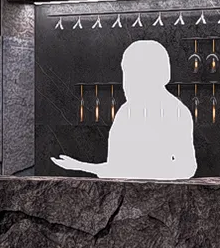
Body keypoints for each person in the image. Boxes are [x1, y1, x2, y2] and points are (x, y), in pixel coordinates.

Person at [53, 37, 197, 179]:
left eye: (137, 75)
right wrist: (81, 166)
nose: (127, 84)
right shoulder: (125, 112)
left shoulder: (175, 112)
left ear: (160, 75)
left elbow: (187, 168)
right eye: (127, 75)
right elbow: (116, 167)